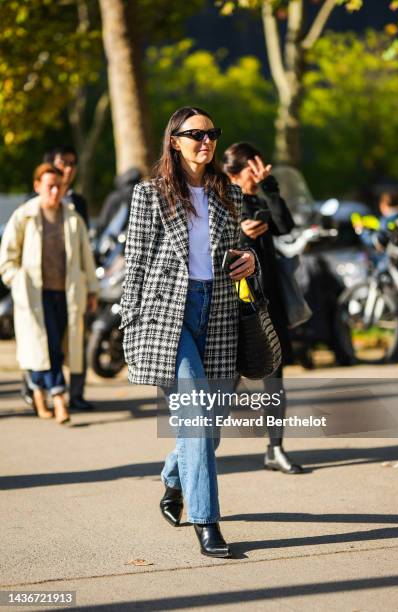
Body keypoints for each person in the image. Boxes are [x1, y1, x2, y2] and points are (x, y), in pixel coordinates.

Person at [120, 106, 256, 558]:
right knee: (197, 419)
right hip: (166, 317)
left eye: (212, 133)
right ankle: (207, 521)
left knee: (208, 428)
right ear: (173, 140)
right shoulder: (150, 194)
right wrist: (130, 325)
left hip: (216, 314)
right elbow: (135, 263)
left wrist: (250, 261)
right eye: (195, 134)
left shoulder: (229, 194)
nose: (206, 141)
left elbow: (239, 251)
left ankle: (174, 479)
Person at [223, 142, 304, 475]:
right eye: (251, 171)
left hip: (267, 301)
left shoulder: (259, 199)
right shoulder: (222, 203)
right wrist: (239, 237)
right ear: (234, 172)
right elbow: (212, 250)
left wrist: (270, 187)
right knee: (223, 385)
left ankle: (276, 448)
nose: (256, 176)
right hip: (232, 305)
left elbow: (286, 225)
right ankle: (191, 455)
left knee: (275, 379)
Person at [0, 163, 98, 424]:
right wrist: (17, 280)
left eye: (59, 186)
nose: (55, 191)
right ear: (37, 186)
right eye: (49, 186)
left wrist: (92, 290)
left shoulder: (73, 219)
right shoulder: (24, 217)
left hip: (66, 295)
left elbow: (85, 259)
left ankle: (38, 392)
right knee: (49, 347)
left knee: (51, 349)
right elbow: (7, 259)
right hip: (34, 296)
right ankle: (58, 399)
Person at [21, 145, 94, 411]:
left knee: (69, 342)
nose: (69, 169)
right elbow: (11, 252)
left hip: (69, 287)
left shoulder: (77, 207)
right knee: (44, 341)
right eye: (64, 163)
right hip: (37, 289)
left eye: (73, 163)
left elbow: (86, 248)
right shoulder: (29, 207)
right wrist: (17, 279)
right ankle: (51, 392)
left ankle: (70, 393)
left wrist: (91, 289)